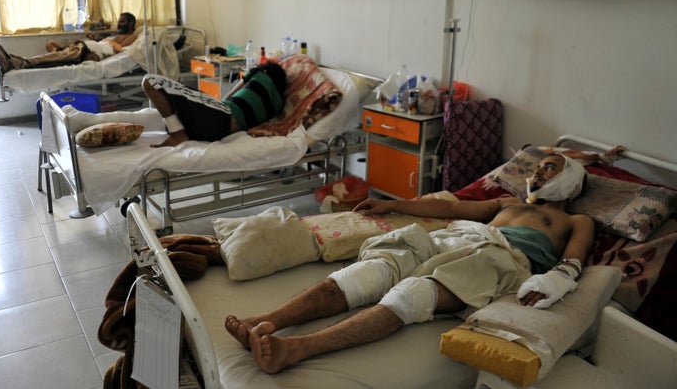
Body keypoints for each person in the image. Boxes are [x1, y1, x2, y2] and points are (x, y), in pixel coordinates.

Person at [225, 154, 594, 374]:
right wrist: (394, 204)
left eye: (550, 169)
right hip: (454, 238)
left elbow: (570, 267)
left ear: (571, 181)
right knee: (361, 276)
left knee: (410, 296)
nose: (538, 174)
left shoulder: (577, 222)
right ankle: (262, 321)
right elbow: (450, 208)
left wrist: (550, 284)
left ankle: (298, 349)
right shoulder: (504, 202)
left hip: (498, 260)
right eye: (539, 168)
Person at [142, 61, 287, 146]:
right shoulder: (278, 105)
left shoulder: (260, 74)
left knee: (149, 81)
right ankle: (176, 130)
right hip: (216, 131)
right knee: (174, 111)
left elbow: (228, 96)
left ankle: (177, 133)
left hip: (221, 112)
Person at [0, 12, 138, 72]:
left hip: (89, 53)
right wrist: (98, 40)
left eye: (123, 22)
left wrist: (106, 42)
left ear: (131, 24)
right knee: (52, 52)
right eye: (119, 21)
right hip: (87, 47)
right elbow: (108, 44)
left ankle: (16, 62)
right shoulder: (114, 35)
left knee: (53, 58)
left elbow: (120, 49)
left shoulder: (132, 36)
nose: (119, 24)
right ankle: (14, 60)